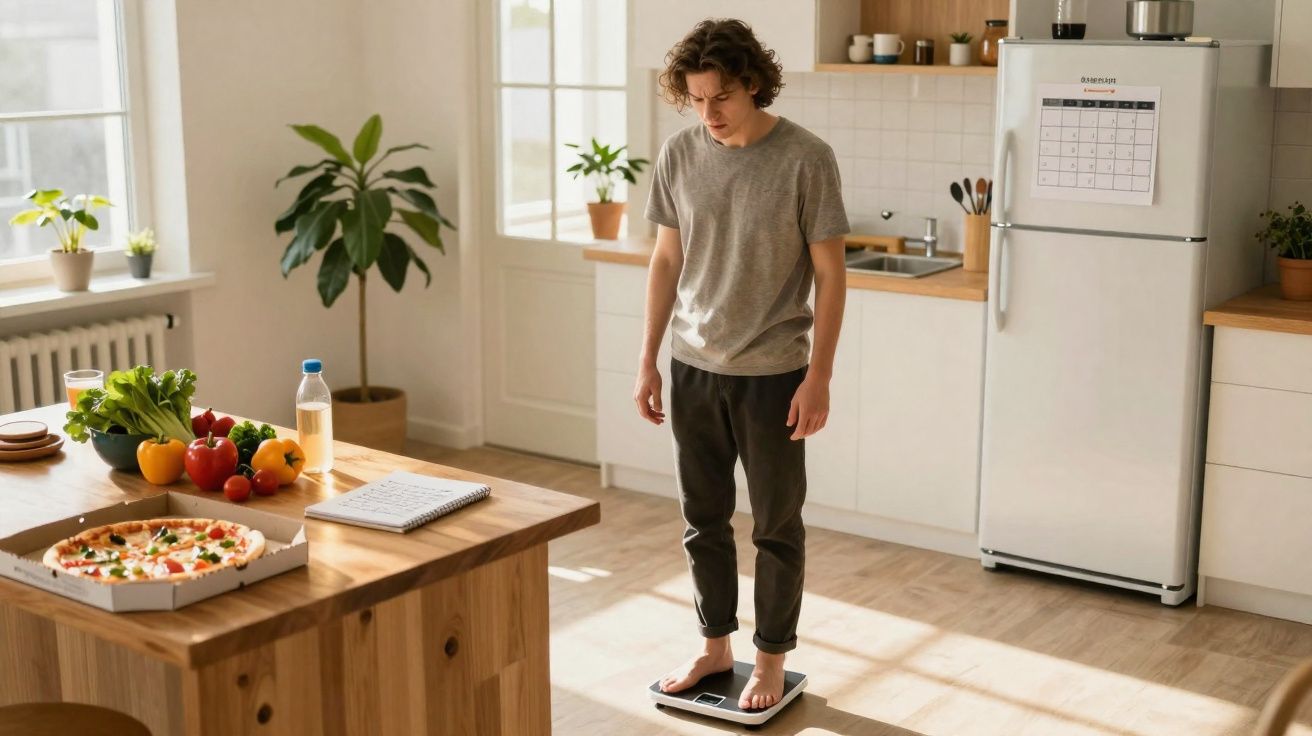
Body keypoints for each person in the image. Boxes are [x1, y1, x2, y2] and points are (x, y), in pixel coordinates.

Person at [634, 18, 850, 712]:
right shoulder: (680, 154)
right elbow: (666, 259)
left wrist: (818, 375)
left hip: (774, 374)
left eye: (720, 97)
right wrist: (647, 362)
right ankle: (714, 646)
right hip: (693, 365)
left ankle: (768, 659)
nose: (709, 114)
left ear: (753, 83)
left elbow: (832, 275)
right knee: (703, 520)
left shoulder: (805, 157)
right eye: (696, 100)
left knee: (776, 528)